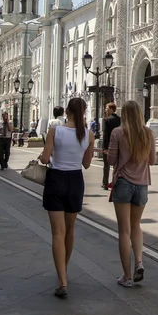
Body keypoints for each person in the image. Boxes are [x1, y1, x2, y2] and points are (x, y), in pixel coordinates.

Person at [39, 98, 94, 298]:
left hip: (56, 180)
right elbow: (87, 164)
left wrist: (44, 156)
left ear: (67, 111)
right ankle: (64, 269)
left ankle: (62, 280)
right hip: (75, 182)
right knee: (70, 230)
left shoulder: (56, 131)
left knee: (57, 233)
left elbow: (45, 159)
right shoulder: (89, 134)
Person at [108, 100, 156, 288]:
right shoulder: (148, 133)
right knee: (136, 226)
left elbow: (112, 160)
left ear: (125, 114)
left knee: (124, 230)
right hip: (142, 185)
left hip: (123, 184)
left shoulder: (118, 132)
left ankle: (127, 276)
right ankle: (139, 262)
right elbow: (152, 161)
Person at [102, 103, 121, 190]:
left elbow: (105, 134)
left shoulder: (107, 120)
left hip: (109, 145)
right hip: (118, 145)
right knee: (116, 166)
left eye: (107, 108)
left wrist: (105, 148)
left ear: (111, 109)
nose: (105, 110)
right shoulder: (119, 119)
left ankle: (105, 183)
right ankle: (115, 182)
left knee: (106, 165)